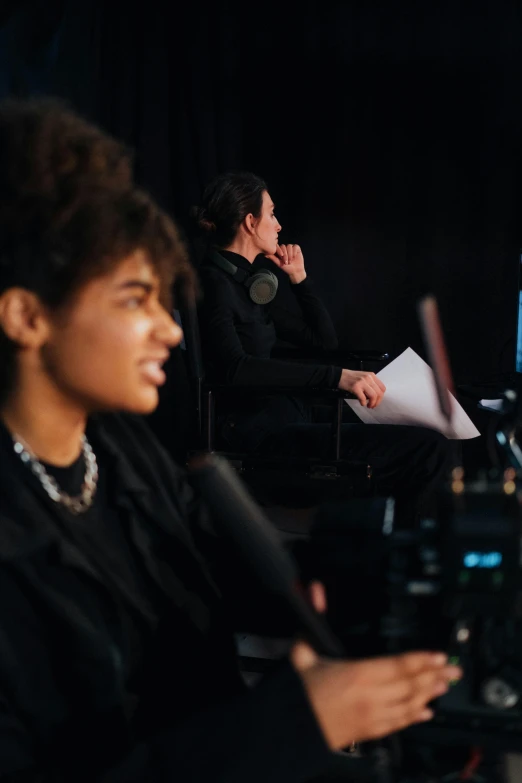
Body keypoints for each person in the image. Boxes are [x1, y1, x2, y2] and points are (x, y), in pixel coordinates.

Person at [0, 98, 461, 782]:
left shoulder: (125, 457)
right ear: (27, 316)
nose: (169, 329)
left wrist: (332, 592)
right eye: (135, 299)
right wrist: (300, 719)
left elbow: (195, 595)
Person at [195, 171, 450, 523]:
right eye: (271, 214)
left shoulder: (247, 283)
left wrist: (299, 279)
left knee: (434, 435)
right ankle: (409, 560)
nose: (279, 225)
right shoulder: (212, 283)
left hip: (289, 418)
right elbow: (235, 368)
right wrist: (335, 378)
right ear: (251, 222)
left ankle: (397, 549)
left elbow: (323, 342)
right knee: (428, 451)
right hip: (260, 435)